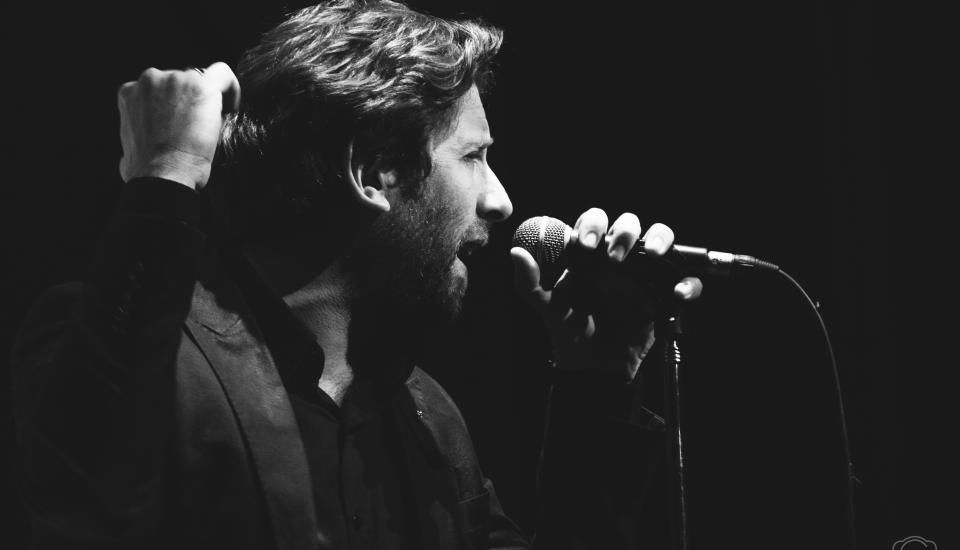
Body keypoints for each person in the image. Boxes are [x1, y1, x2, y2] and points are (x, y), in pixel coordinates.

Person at [10, 1, 700, 548]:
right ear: (373, 171)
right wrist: (166, 180)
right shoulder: (139, 348)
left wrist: (598, 383)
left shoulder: (430, 420)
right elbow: (85, 506)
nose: (501, 200)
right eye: (474, 156)